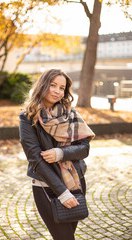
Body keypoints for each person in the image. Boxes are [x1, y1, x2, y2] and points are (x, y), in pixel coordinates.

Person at [19, 69, 95, 240]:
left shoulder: (71, 114)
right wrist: (62, 193)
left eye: (62, 88)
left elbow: (85, 148)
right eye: (53, 85)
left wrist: (61, 153)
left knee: (68, 236)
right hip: (46, 185)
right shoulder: (27, 117)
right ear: (43, 85)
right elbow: (35, 159)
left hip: (75, 182)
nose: (57, 91)